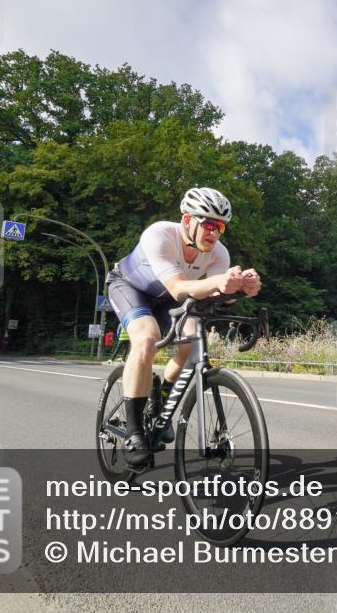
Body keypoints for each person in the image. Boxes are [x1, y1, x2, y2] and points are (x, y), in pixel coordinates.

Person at [105, 187, 261, 467]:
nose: (214, 233)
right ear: (187, 220)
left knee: (190, 340)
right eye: (209, 224)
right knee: (146, 338)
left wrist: (240, 288)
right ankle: (133, 432)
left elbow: (213, 296)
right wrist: (218, 283)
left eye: (220, 227)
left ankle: (161, 399)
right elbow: (179, 287)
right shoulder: (160, 234)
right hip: (130, 287)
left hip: (167, 299)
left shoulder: (218, 254)